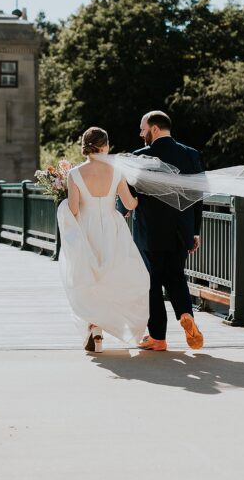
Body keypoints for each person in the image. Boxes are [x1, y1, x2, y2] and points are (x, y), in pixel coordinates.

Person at [57, 127, 150, 353]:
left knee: (89, 278)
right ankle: (107, 325)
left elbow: (73, 209)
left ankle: (95, 328)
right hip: (112, 228)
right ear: (105, 145)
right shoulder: (115, 171)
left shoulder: (74, 174)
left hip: (86, 229)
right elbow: (129, 204)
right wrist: (142, 202)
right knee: (115, 277)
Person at [130, 111, 205, 352]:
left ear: (153, 129)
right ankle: (186, 313)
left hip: (149, 231)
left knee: (151, 284)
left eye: (143, 129)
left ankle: (158, 338)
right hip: (181, 229)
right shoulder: (191, 155)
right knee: (175, 276)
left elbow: (131, 197)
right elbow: (198, 195)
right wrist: (195, 231)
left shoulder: (140, 157)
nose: (141, 134)